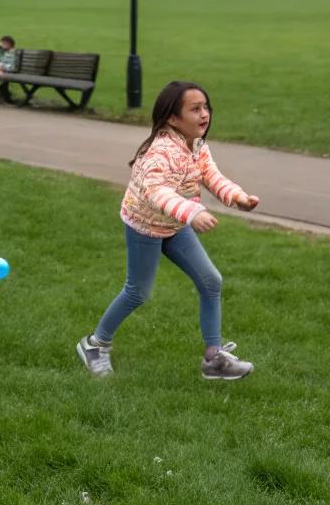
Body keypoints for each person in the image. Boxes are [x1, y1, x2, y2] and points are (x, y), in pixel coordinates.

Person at [77, 80, 260, 382]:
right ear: (173, 119)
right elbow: (156, 193)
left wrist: (237, 197)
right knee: (138, 292)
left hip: (174, 224)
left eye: (206, 107)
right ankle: (95, 344)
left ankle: (213, 358)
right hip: (145, 226)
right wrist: (193, 212)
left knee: (211, 281)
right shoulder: (159, 152)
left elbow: (212, 176)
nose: (205, 114)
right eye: (195, 109)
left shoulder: (197, 145)